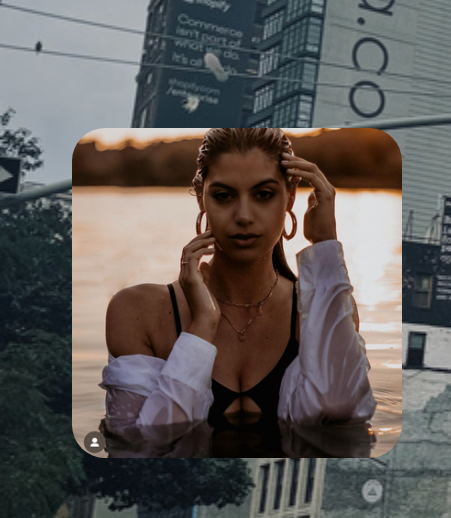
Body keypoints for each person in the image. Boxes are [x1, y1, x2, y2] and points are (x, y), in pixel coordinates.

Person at [100, 127, 374, 455]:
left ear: (290, 197)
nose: (244, 216)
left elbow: (341, 412)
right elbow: (136, 446)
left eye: (263, 194)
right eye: (224, 196)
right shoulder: (137, 311)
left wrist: (325, 246)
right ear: (202, 198)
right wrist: (201, 327)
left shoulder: (322, 309)